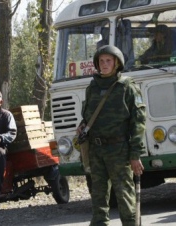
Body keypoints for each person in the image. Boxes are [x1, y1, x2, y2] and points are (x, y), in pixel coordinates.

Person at [77, 45, 146, 226]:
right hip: (96, 150)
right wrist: (83, 126)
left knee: (124, 196)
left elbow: (138, 123)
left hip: (119, 150)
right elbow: (87, 117)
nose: (104, 64)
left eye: (108, 60)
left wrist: (135, 154)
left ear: (116, 63)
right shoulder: (92, 87)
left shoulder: (127, 88)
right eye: (101, 61)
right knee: (98, 198)